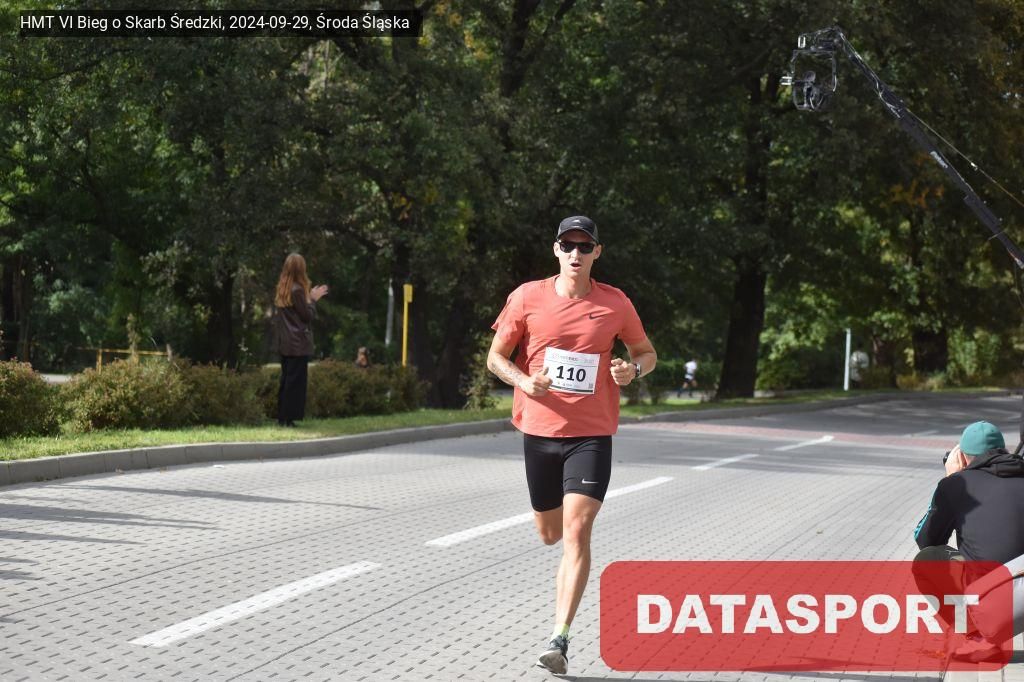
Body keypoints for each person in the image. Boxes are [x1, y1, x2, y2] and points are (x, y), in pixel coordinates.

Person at [487, 215, 657, 675]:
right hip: (540, 432)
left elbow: (646, 353)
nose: (576, 254)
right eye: (568, 246)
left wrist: (632, 370)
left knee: (578, 530)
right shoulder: (527, 297)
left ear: (597, 252)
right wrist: (524, 381)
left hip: (591, 433)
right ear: (556, 250)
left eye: (585, 246)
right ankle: (562, 562)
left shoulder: (615, 303)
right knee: (551, 533)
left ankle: (559, 638)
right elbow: (496, 357)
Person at [913, 421, 1024, 659]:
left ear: (962, 456)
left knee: (928, 560)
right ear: (1003, 450)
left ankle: (977, 638)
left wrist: (951, 480)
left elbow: (926, 540)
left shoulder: (955, 485)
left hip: (992, 604)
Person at [274, 253, 328, 427]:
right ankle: (288, 419)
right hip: (298, 344)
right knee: (295, 383)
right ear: (300, 269)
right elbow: (307, 316)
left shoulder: (282, 288)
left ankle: (282, 418)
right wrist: (312, 300)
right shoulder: (297, 290)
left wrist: (308, 298)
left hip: (286, 344)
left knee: (286, 381)